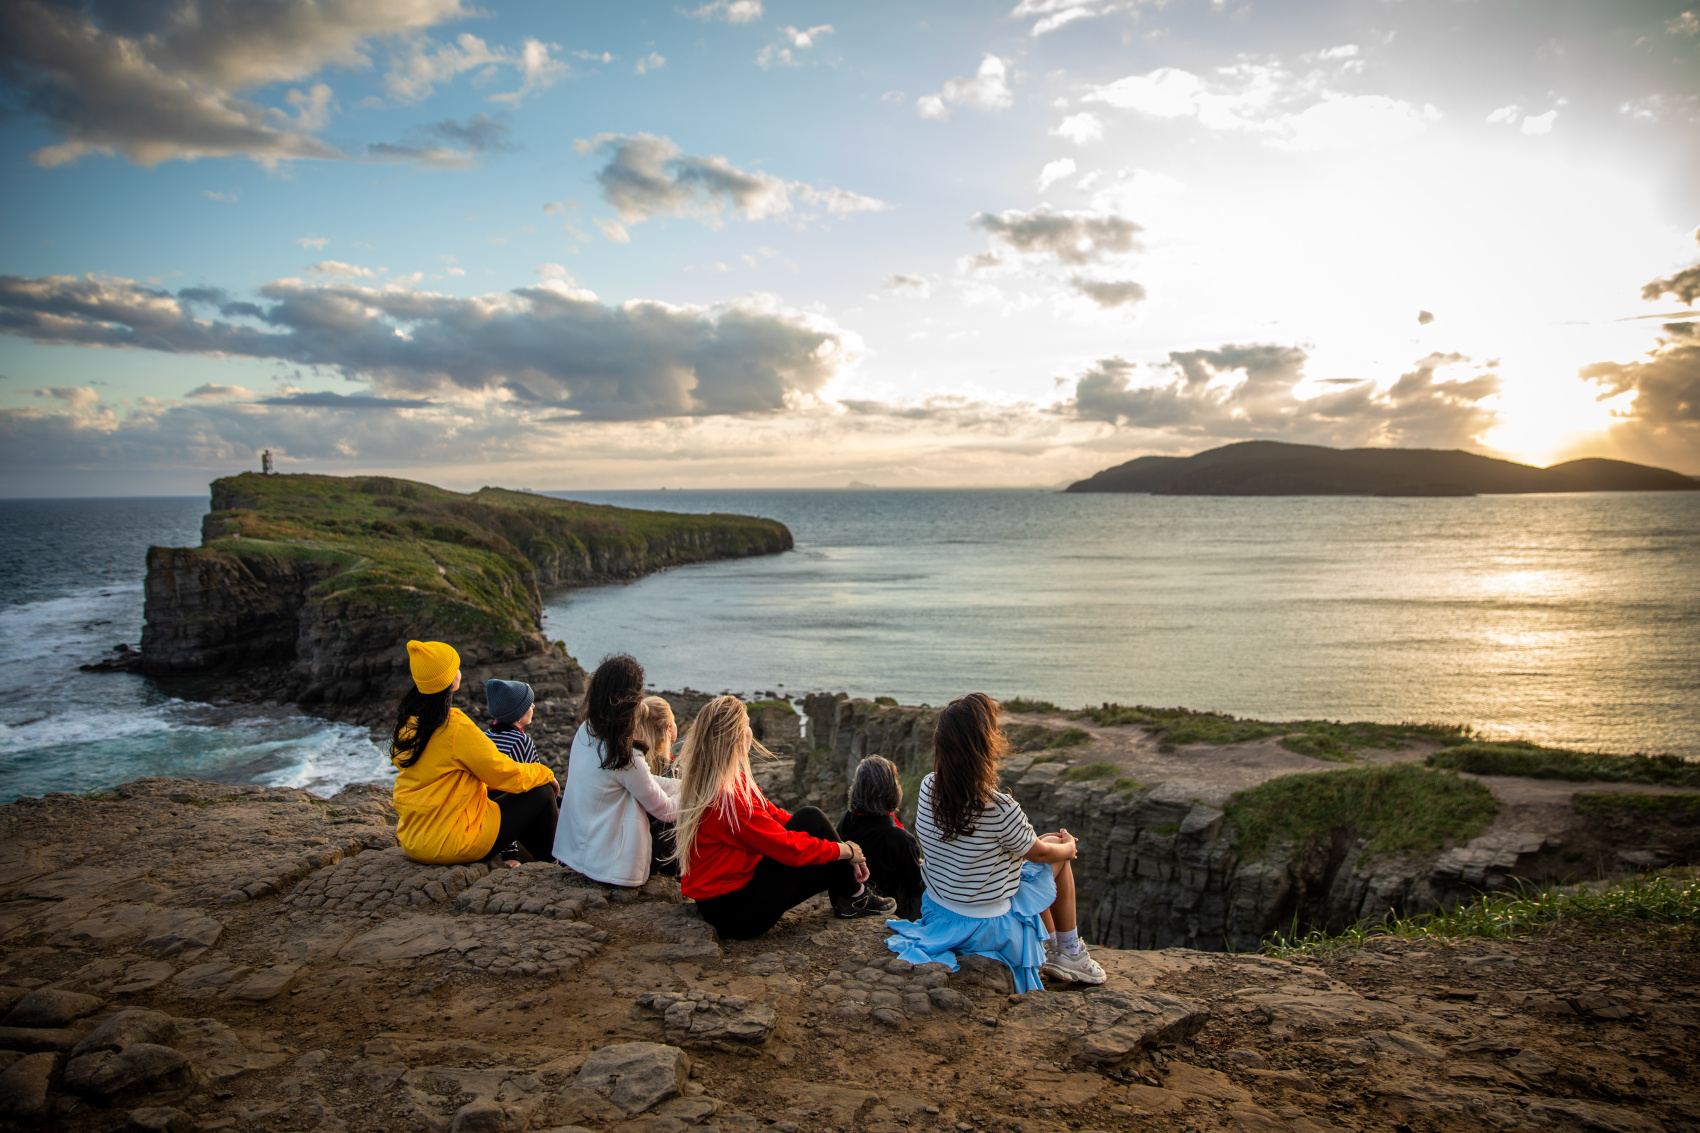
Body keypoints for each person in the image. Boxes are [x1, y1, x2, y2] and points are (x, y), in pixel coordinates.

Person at [886, 693, 1106, 991]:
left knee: (1045, 844)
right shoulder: (998, 808)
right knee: (1056, 854)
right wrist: (1068, 847)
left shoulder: (929, 787)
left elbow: (1021, 848)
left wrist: (1045, 844)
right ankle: (1068, 951)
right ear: (984, 747)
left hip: (941, 911)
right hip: (986, 926)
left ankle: (1057, 949)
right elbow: (1040, 855)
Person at [675, 695, 896, 939]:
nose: (751, 732)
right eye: (747, 725)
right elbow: (787, 848)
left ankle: (852, 896)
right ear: (737, 736)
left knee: (812, 821)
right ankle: (855, 897)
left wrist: (832, 843)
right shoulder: (727, 799)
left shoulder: (721, 780)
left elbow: (774, 815)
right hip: (734, 914)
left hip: (727, 900)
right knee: (813, 833)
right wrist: (847, 852)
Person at [390, 640, 558, 867]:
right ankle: (553, 864)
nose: (460, 671)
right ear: (451, 679)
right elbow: (501, 771)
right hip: (456, 842)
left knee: (500, 793)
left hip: (415, 839)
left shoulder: (408, 724)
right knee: (541, 792)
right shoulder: (454, 725)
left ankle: (533, 858)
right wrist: (545, 773)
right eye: (455, 667)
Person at [552, 655, 681, 888]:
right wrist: (701, 791)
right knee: (681, 821)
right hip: (611, 867)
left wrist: (682, 786)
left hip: (578, 853)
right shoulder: (625, 754)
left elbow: (643, 781)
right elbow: (666, 811)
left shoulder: (587, 731)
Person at [837, 756, 925, 921]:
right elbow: (916, 884)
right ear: (892, 791)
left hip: (854, 897)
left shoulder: (846, 820)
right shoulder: (899, 838)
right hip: (893, 908)